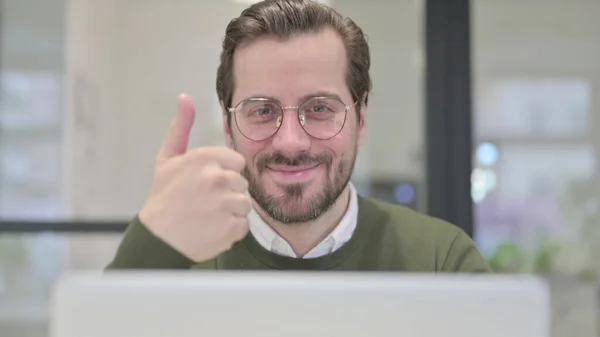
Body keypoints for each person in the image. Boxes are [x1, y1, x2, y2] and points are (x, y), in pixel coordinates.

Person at [107, 0, 490, 272]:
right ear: (227, 127)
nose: (290, 142)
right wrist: (150, 241)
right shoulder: (175, 264)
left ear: (362, 119)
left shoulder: (441, 261)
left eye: (320, 108)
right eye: (262, 110)